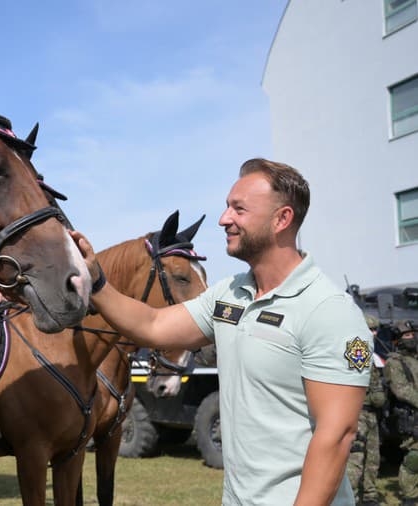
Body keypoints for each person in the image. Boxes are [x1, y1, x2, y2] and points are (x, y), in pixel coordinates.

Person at [71, 158, 372, 505]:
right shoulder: (230, 294)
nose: (223, 219)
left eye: (238, 209)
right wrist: (97, 279)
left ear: (282, 219)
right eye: (227, 207)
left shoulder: (329, 311)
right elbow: (153, 325)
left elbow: (336, 436)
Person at [346, 314, 387, 506]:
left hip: (371, 413)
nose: (374, 333)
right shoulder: (357, 348)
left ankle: (370, 496)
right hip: (358, 412)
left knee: (373, 456)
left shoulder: (372, 352)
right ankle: (351, 497)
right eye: (370, 329)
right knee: (356, 457)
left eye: (375, 329)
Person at [385, 320, 418, 505]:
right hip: (411, 414)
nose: (411, 338)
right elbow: (401, 389)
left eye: (412, 334)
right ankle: (409, 496)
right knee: (414, 457)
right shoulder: (394, 362)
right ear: (398, 340)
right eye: (406, 335)